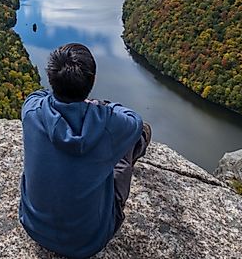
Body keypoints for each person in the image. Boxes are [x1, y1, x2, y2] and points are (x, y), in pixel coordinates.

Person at [19, 43, 151, 259]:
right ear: (92, 80)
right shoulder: (110, 124)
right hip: (88, 241)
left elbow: (37, 95)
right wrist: (100, 105)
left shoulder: (32, 111)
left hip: (33, 226)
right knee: (139, 136)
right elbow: (135, 121)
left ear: (51, 77)